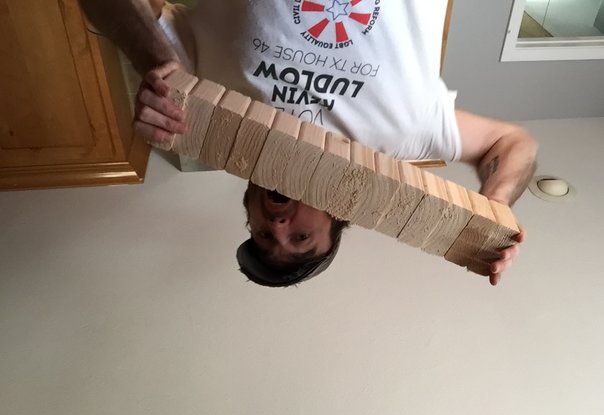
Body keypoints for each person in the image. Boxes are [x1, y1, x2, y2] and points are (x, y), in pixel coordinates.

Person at [79, 0, 538, 287]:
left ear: (250, 210)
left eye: (262, 233)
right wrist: (495, 207)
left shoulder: (204, 95)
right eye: (300, 237)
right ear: (338, 213)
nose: (278, 225)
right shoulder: (402, 136)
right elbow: (512, 142)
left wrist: (155, 64)